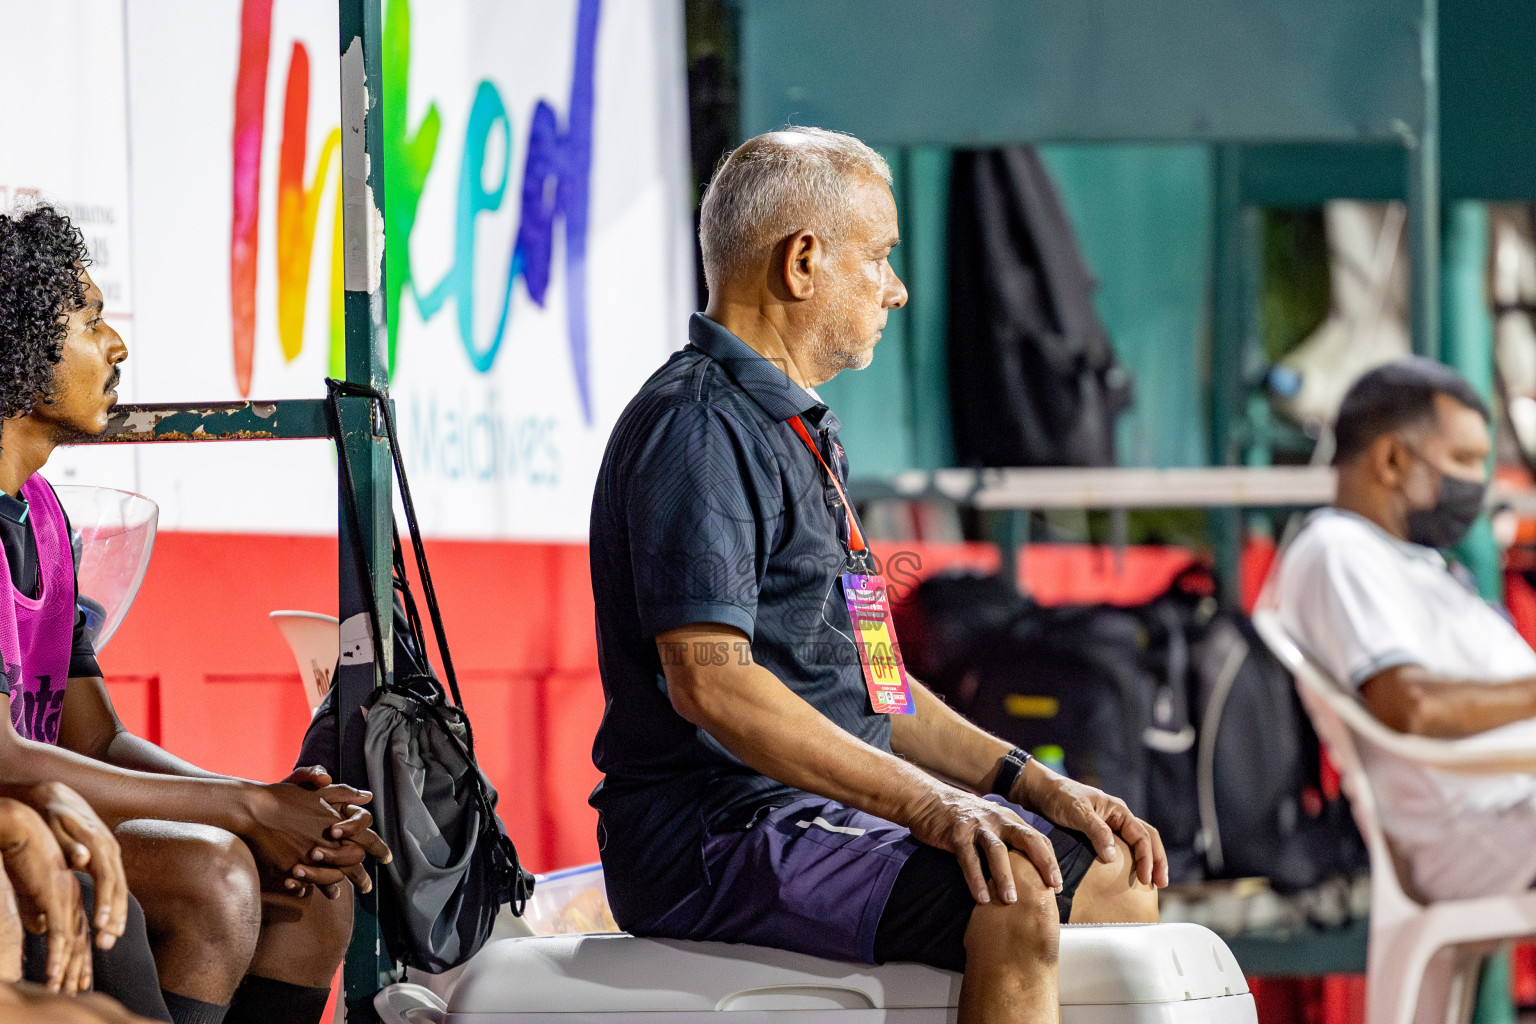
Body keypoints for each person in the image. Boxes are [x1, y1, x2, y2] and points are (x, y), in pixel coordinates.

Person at [589, 127, 1165, 1024]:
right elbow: (713, 685)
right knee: (1014, 891)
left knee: (1111, 871)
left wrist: (1028, 781)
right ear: (805, 261)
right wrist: (936, 807)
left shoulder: (800, 431)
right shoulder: (697, 427)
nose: (895, 288)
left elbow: (880, 685)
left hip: (811, 818)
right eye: (882, 256)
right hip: (715, 832)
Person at [0, 202, 390, 1024]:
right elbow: (7, 760)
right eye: (92, 321)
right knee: (215, 873)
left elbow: (94, 739)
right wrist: (246, 810)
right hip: (16, 822)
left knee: (312, 892)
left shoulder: (42, 514)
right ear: (21, 347)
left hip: (49, 805)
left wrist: (277, 804)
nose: (118, 347)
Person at [1274, 357, 1536, 901]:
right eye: (1463, 460)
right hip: (1477, 827)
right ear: (1392, 459)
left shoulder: (1416, 562)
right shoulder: (1339, 550)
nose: (1477, 483)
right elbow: (1408, 705)